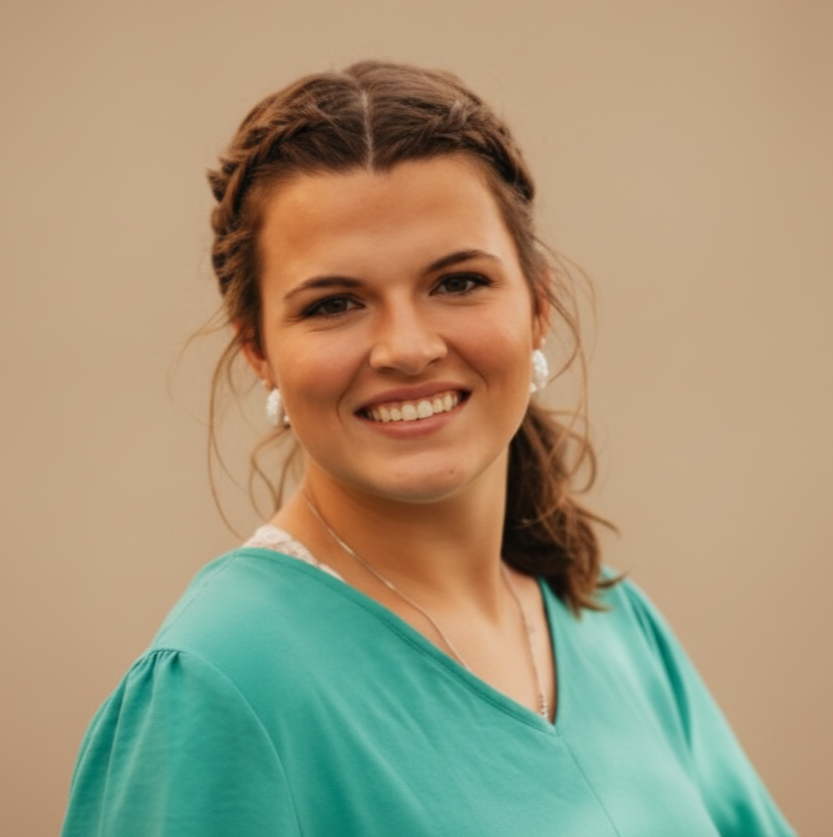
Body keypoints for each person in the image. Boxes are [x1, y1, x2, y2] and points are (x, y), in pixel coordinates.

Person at [61, 60, 795, 836]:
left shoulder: (606, 618)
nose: (406, 348)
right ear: (257, 348)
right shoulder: (217, 685)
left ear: (536, 304)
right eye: (334, 303)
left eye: (458, 283)